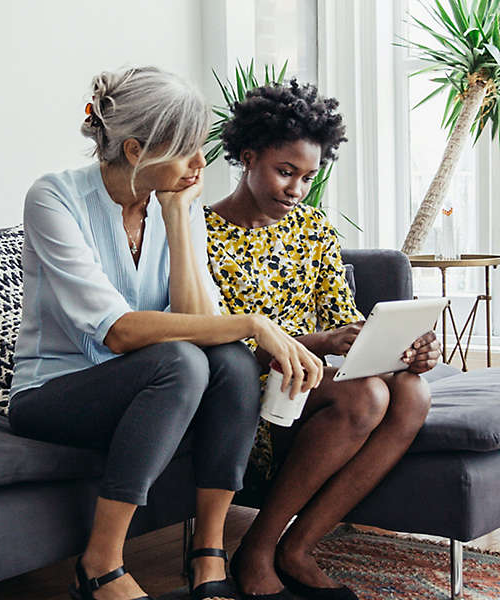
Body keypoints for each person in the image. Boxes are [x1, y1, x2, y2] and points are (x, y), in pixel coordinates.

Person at [8, 67, 324, 600]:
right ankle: (101, 564)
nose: (201, 165)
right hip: (54, 394)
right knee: (181, 360)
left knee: (231, 361)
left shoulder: (175, 199)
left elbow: (205, 326)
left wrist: (178, 218)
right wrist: (254, 322)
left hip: (148, 386)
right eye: (188, 151)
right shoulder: (53, 199)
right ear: (136, 151)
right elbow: (120, 333)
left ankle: (209, 555)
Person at [205, 80, 441, 600]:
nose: (295, 189)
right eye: (284, 172)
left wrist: (402, 353)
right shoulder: (201, 236)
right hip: (245, 400)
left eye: (307, 177)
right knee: (366, 394)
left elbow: (346, 326)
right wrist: (324, 340)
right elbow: (214, 348)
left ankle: (296, 548)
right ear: (248, 157)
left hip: (311, 392)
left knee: (410, 392)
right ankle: (258, 551)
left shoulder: (313, 229)